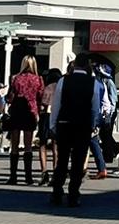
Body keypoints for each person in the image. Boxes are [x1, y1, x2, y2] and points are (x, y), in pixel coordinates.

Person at [49, 53, 102, 208]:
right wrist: (93, 124)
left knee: (62, 159)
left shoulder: (63, 80)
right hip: (83, 125)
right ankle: (73, 194)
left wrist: (53, 124)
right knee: (78, 161)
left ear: (75, 64)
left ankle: (57, 191)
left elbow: (56, 104)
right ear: (87, 65)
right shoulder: (93, 83)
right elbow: (95, 107)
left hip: (64, 123)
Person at [6, 55, 45, 185]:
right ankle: (28, 176)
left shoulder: (16, 78)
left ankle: (13, 176)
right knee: (28, 145)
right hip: (30, 111)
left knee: (15, 145)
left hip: (17, 110)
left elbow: (11, 96)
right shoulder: (38, 79)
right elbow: (40, 96)